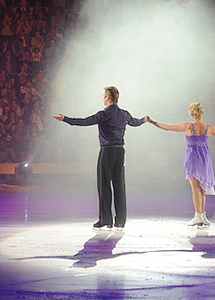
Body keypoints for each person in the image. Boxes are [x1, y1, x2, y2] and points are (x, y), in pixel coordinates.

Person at [54, 86, 147, 230]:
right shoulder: (124, 114)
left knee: (104, 186)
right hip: (120, 152)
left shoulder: (104, 114)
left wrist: (65, 119)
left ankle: (106, 220)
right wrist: (143, 120)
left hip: (107, 152)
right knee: (119, 185)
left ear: (108, 98)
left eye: (104, 96)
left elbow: (85, 121)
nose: (103, 98)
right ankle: (120, 221)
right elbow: (135, 122)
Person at [147, 102, 215, 227]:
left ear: (192, 114)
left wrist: (152, 122)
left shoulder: (187, 126)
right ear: (202, 113)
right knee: (201, 188)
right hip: (205, 159)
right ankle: (202, 215)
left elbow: (168, 127)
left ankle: (198, 216)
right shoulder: (209, 128)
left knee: (196, 189)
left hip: (193, 157)